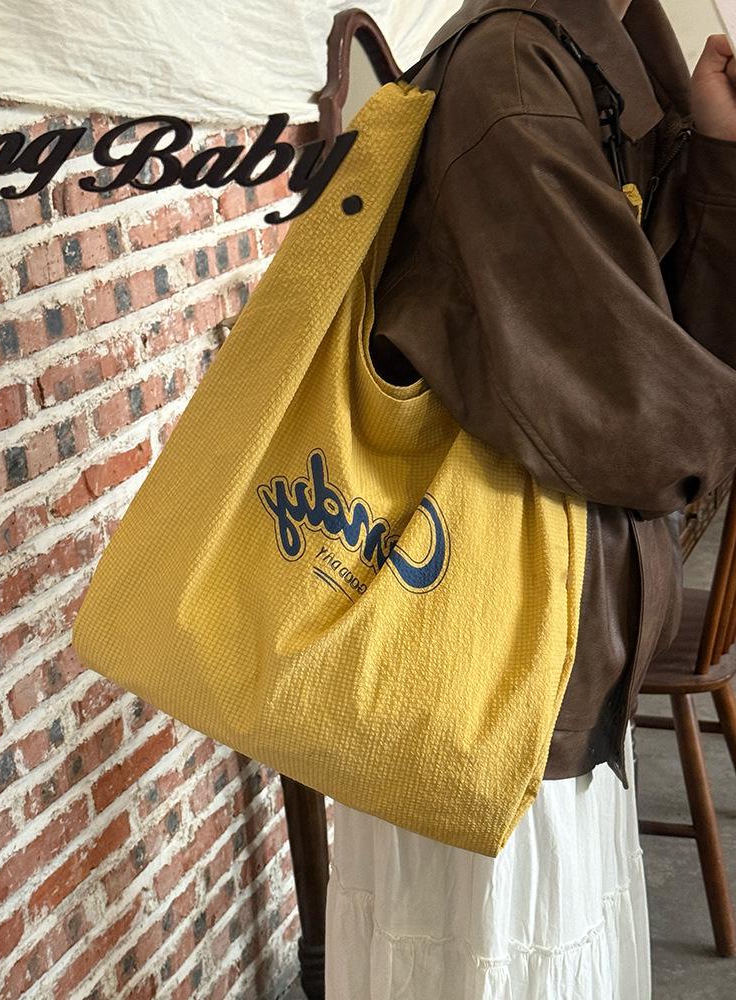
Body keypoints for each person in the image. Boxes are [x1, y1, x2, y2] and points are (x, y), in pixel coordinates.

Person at [323, 1, 736, 997]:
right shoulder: (515, 75)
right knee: (493, 953)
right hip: (494, 643)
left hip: (541, 629)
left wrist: (718, 152)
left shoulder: (602, 58)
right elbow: (631, 404)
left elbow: (674, 335)